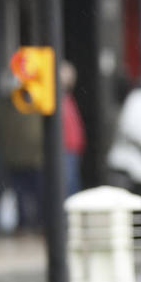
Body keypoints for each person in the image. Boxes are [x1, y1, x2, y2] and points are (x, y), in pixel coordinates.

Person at [0, 80, 44, 232]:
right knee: (20, 194)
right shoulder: (7, 106)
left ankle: (36, 223)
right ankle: (25, 224)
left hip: (33, 158)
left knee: (36, 193)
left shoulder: (36, 102)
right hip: (16, 158)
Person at [60, 61, 85, 197]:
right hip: (66, 150)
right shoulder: (59, 100)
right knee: (69, 188)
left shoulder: (67, 98)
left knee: (72, 187)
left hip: (71, 150)